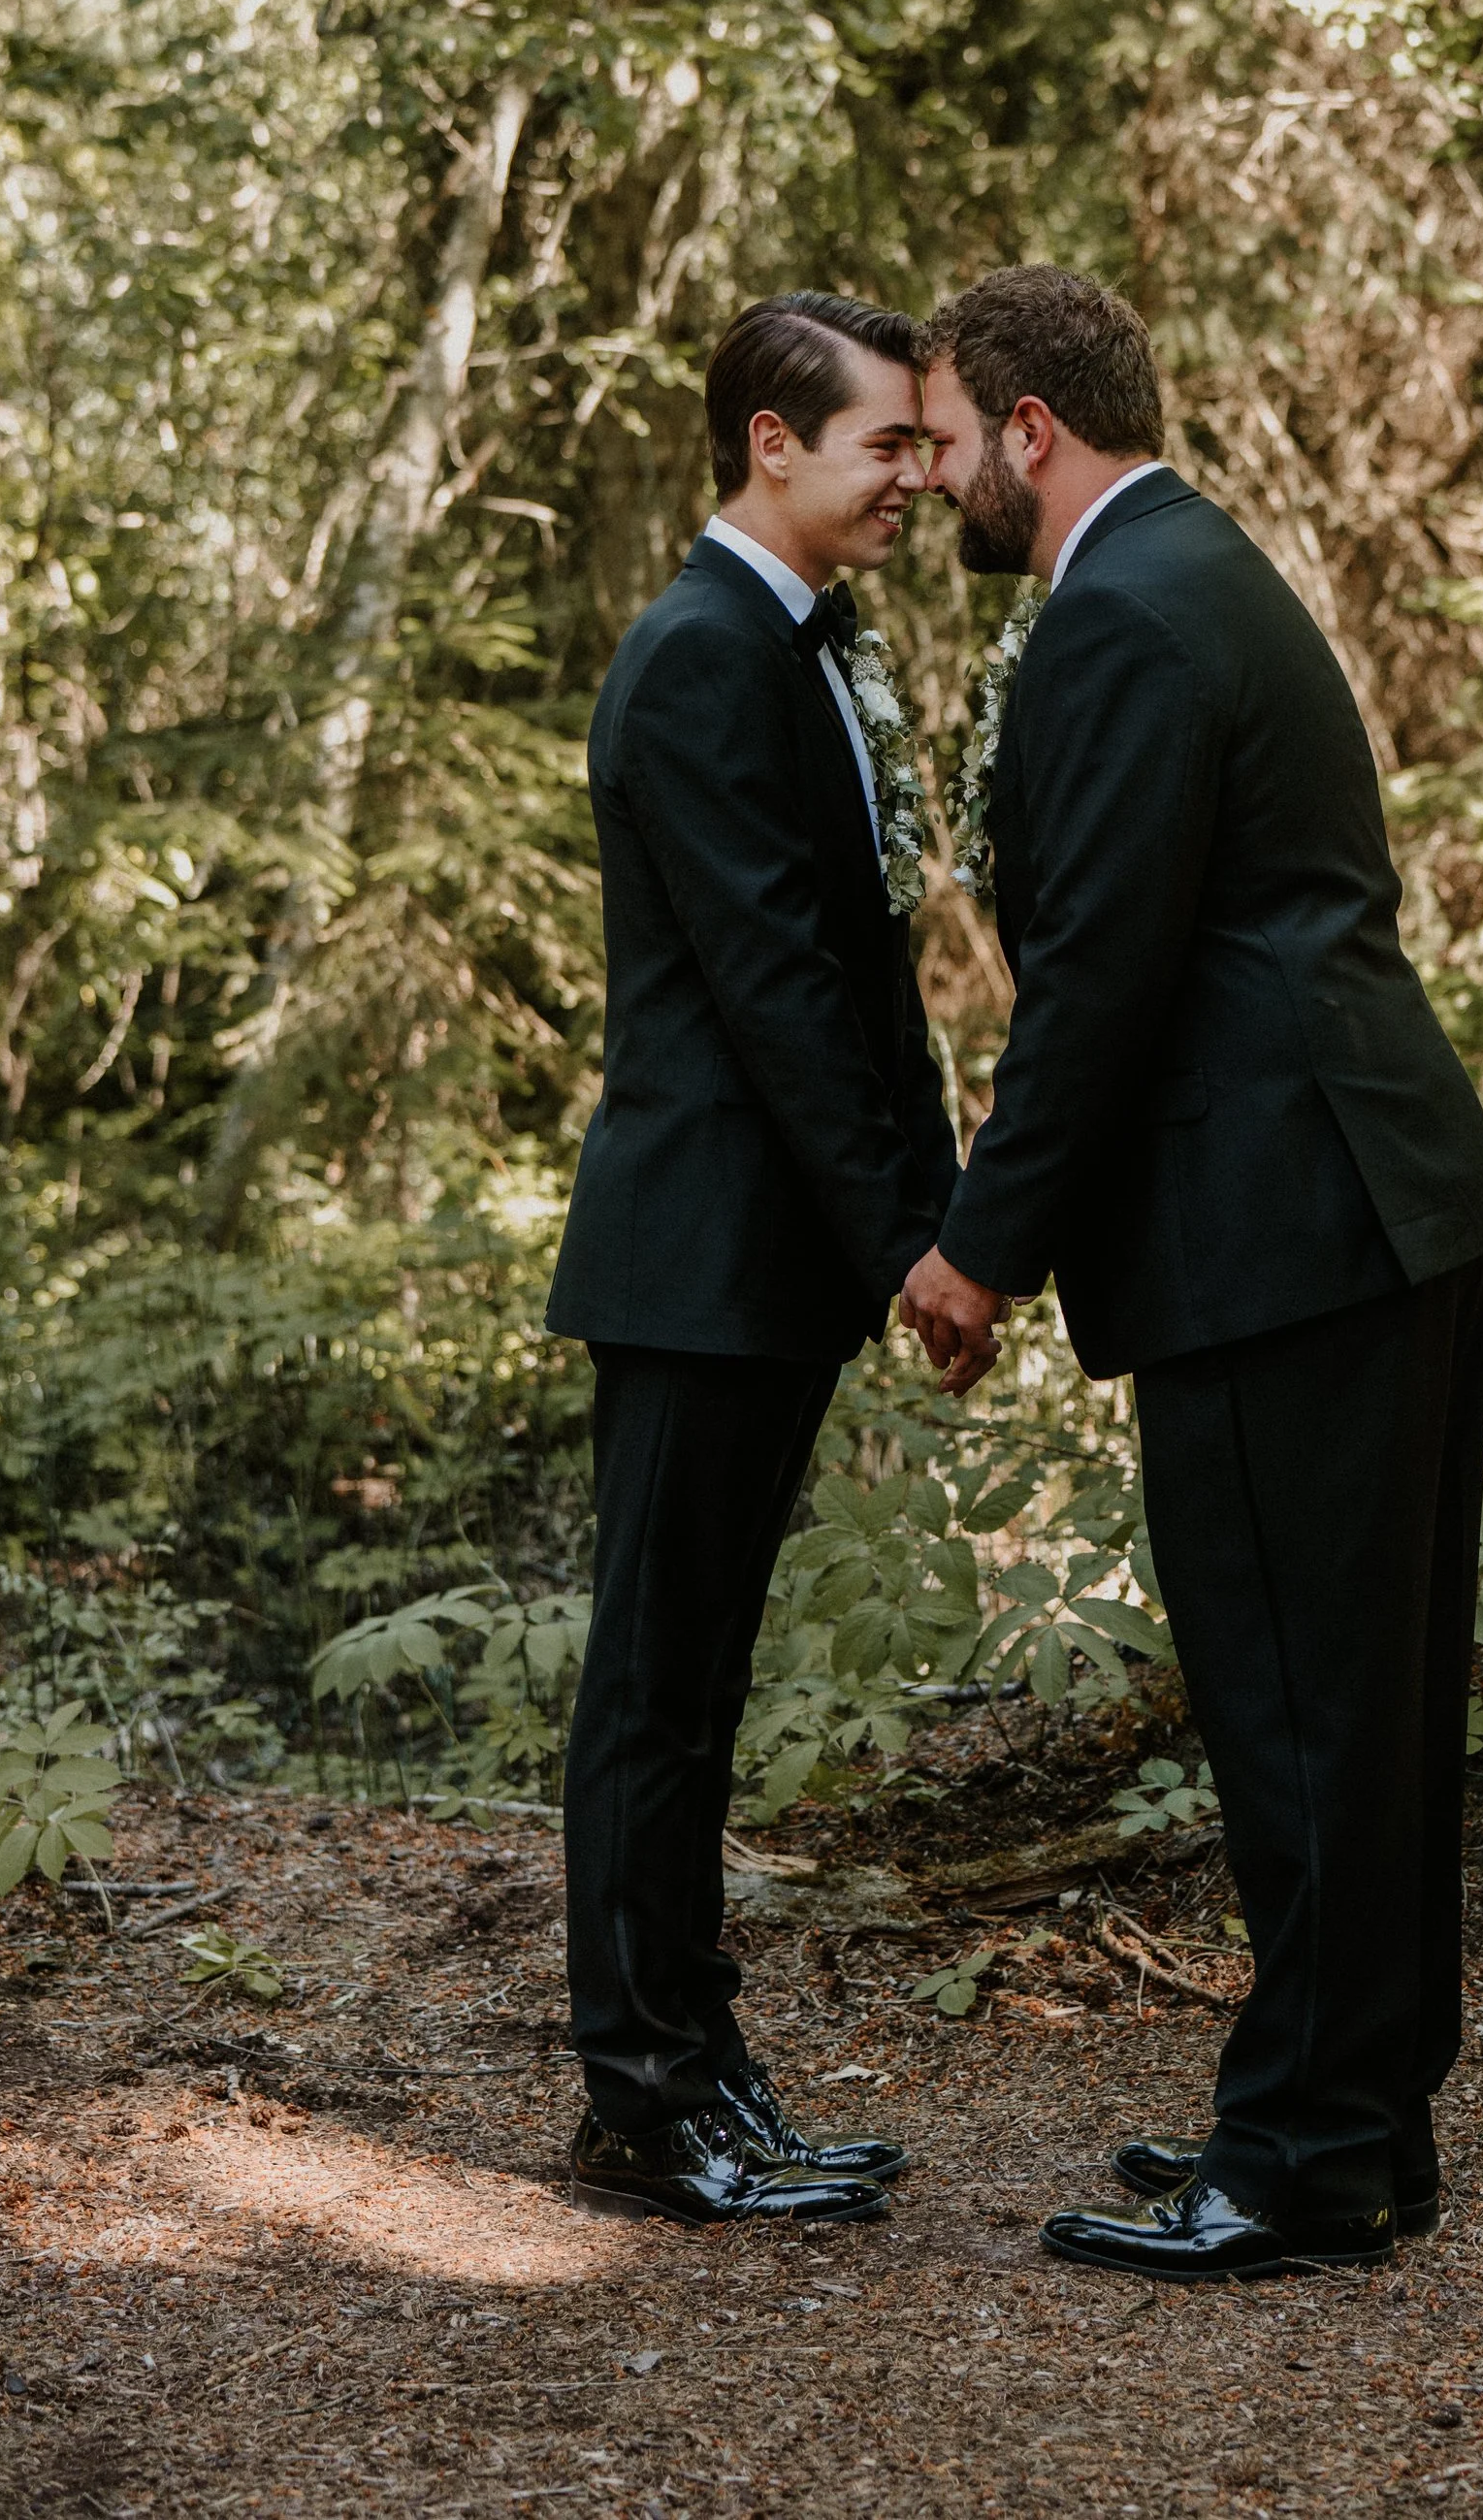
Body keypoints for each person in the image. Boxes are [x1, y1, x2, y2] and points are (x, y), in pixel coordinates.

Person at [904, 266, 1483, 2284]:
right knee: (1366, 1691)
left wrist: (981, 1248)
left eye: (944, 430)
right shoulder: (1208, 571)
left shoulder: (1115, 618)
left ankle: (1312, 2154)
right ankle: (1356, 2116)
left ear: (1028, 429)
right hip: (1368, 1189)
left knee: (1297, 1702)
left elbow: (1097, 981)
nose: (934, 476)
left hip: (1279, 1222)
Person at [546, 292, 957, 2226]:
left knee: (698, 1684)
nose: (916, 475)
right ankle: (638, 2104)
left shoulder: (812, 646)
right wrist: (909, 1246)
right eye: (885, 441)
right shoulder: (703, 656)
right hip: (699, 1250)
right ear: (768, 444)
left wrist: (941, 1205)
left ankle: (707, 2070)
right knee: (653, 1687)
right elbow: (776, 994)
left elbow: (869, 965)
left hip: (768, 1258)